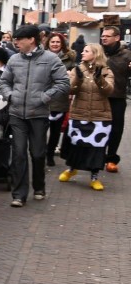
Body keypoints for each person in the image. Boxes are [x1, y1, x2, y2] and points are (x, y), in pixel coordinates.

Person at [0, 24, 70, 207]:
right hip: (16, 114)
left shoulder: (51, 59)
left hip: (38, 114)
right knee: (19, 154)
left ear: (31, 40)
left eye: (19, 40)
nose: (15, 43)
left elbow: (63, 83)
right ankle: (19, 195)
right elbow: (4, 81)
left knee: (38, 154)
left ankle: (39, 186)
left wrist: (45, 97)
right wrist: (10, 95)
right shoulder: (14, 59)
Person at [58, 43, 114, 190]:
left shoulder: (106, 71)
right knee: (76, 144)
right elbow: (70, 90)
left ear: (95, 54)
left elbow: (109, 91)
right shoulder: (78, 69)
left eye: (86, 51)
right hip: (79, 114)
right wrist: (77, 79)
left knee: (97, 148)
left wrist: (99, 79)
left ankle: (94, 177)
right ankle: (72, 169)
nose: (82, 53)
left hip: (100, 117)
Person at [99, 25, 131, 173]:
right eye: (103, 36)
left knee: (116, 129)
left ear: (117, 37)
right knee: (98, 127)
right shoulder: (97, 52)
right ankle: (98, 157)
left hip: (117, 97)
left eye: (107, 36)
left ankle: (111, 158)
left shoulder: (127, 55)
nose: (103, 38)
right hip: (99, 96)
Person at [45, 32, 77, 166]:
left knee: (55, 131)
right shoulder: (41, 57)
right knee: (40, 130)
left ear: (62, 44)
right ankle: (40, 153)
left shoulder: (69, 60)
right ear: (48, 43)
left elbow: (72, 79)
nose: (55, 44)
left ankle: (50, 154)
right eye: (52, 42)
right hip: (43, 97)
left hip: (59, 98)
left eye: (58, 42)